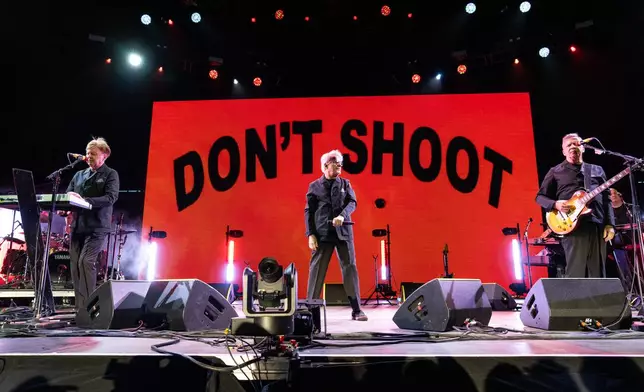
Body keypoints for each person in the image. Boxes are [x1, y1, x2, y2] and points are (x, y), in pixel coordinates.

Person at [536, 133, 615, 278]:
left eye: (576, 144)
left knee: (598, 272)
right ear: (564, 151)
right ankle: (575, 300)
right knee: (575, 271)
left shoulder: (597, 170)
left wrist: (610, 224)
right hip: (572, 227)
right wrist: (555, 204)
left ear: (583, 148)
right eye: (569, 145)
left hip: (597, 224)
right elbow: (540, 197)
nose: (573, 147)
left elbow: (607, 200)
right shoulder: (555, 171)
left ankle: (598, 301)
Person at [305, 149, 367, 321]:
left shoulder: (345, 184)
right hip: (322, 234)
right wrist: (310, 234)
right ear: (325, 166)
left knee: (350, 268)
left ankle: (357, 309)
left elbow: (352, 202)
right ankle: (312, 311)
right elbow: (309, 212)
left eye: (340, 161)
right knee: (316, 270)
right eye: (335, 161)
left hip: (343, 233)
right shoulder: (314, 186)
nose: (339, 164)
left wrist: (342, 215)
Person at [59, 137, 119, 311]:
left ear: (104, 155)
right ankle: (80, 309)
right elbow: (69, 195)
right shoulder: (79, 175)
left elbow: (111, 198)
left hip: (97, 227)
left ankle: (90, 308)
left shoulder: (110, 174)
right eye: (87, 153)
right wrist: (64, 207)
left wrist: (85, 200)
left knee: (86, 262)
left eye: (93, 153)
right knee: (75, 264)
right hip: (78, 226)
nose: (88, 156)